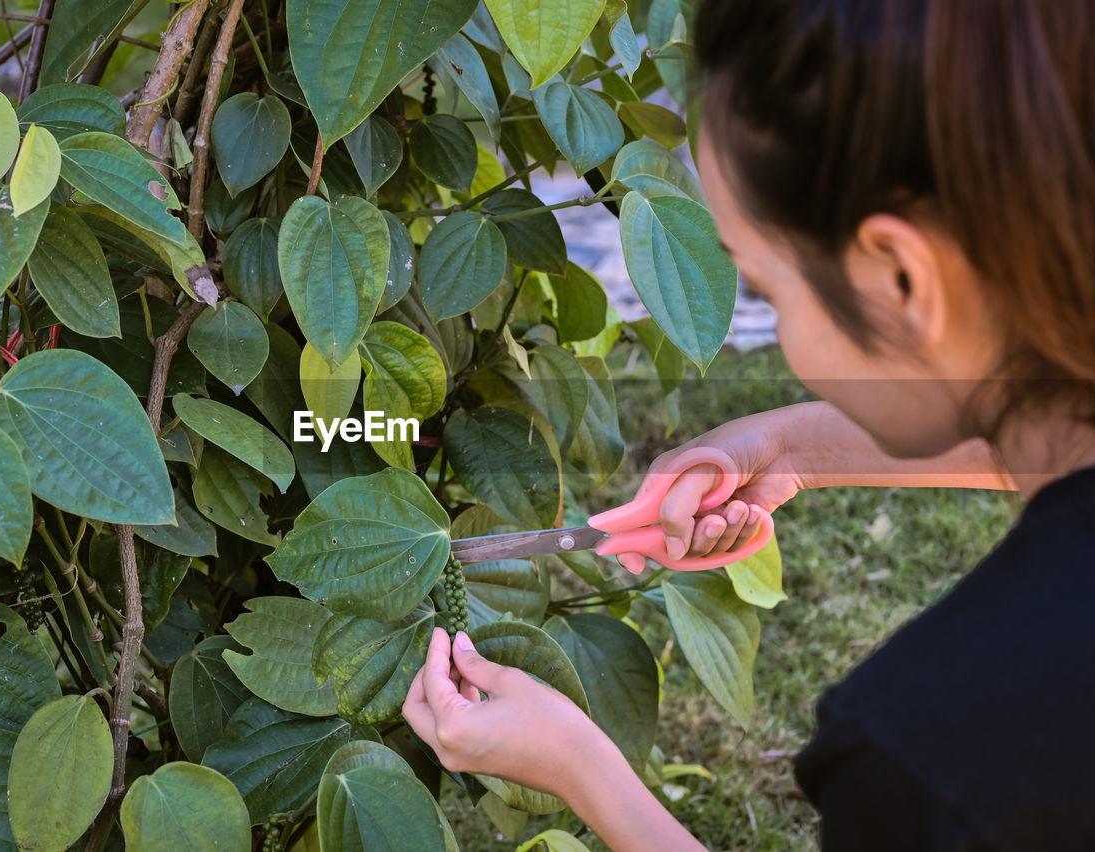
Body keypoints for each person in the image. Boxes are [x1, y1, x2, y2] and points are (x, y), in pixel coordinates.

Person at [403, 0, 1095, 848]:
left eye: (766, 288)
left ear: (903, 279)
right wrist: (795, 448)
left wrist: (581, 765)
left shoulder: (941, 763)